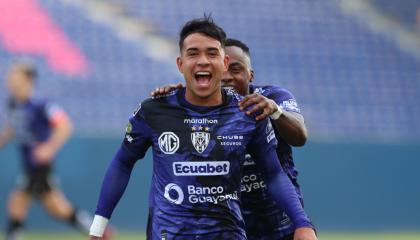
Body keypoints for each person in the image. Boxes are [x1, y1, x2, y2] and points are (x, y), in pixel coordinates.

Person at [89, 16, 317, 240]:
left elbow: (274, 172)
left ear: (224, 62)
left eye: (211, 53)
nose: (203, 61)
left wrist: (302, 223)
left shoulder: (251, 111)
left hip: (248, 229)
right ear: (180, 64)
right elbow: (122, 161)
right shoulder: (155, 110)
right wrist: (98, 228)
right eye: (193, 53)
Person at [151, 38, 310, 240]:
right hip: (229, 227)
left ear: (250, 75)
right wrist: (172, 101)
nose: (227, 77)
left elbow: (300, 136)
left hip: (282, 222)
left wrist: (276, 111)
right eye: (222, 69)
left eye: (235, 69)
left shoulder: (272, 97)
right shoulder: (197, 111)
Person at [0, 61, 112, 240]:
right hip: (28, 165)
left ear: (27, 79)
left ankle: (99, 233)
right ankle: (98, 232)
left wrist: (49, 148)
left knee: (17, 203)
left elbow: (65, 125)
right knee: (57, 208)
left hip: (39, 165)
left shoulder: (40, 104)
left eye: (14, 74)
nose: (9, 78)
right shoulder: (13, 104)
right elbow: (11, 128)